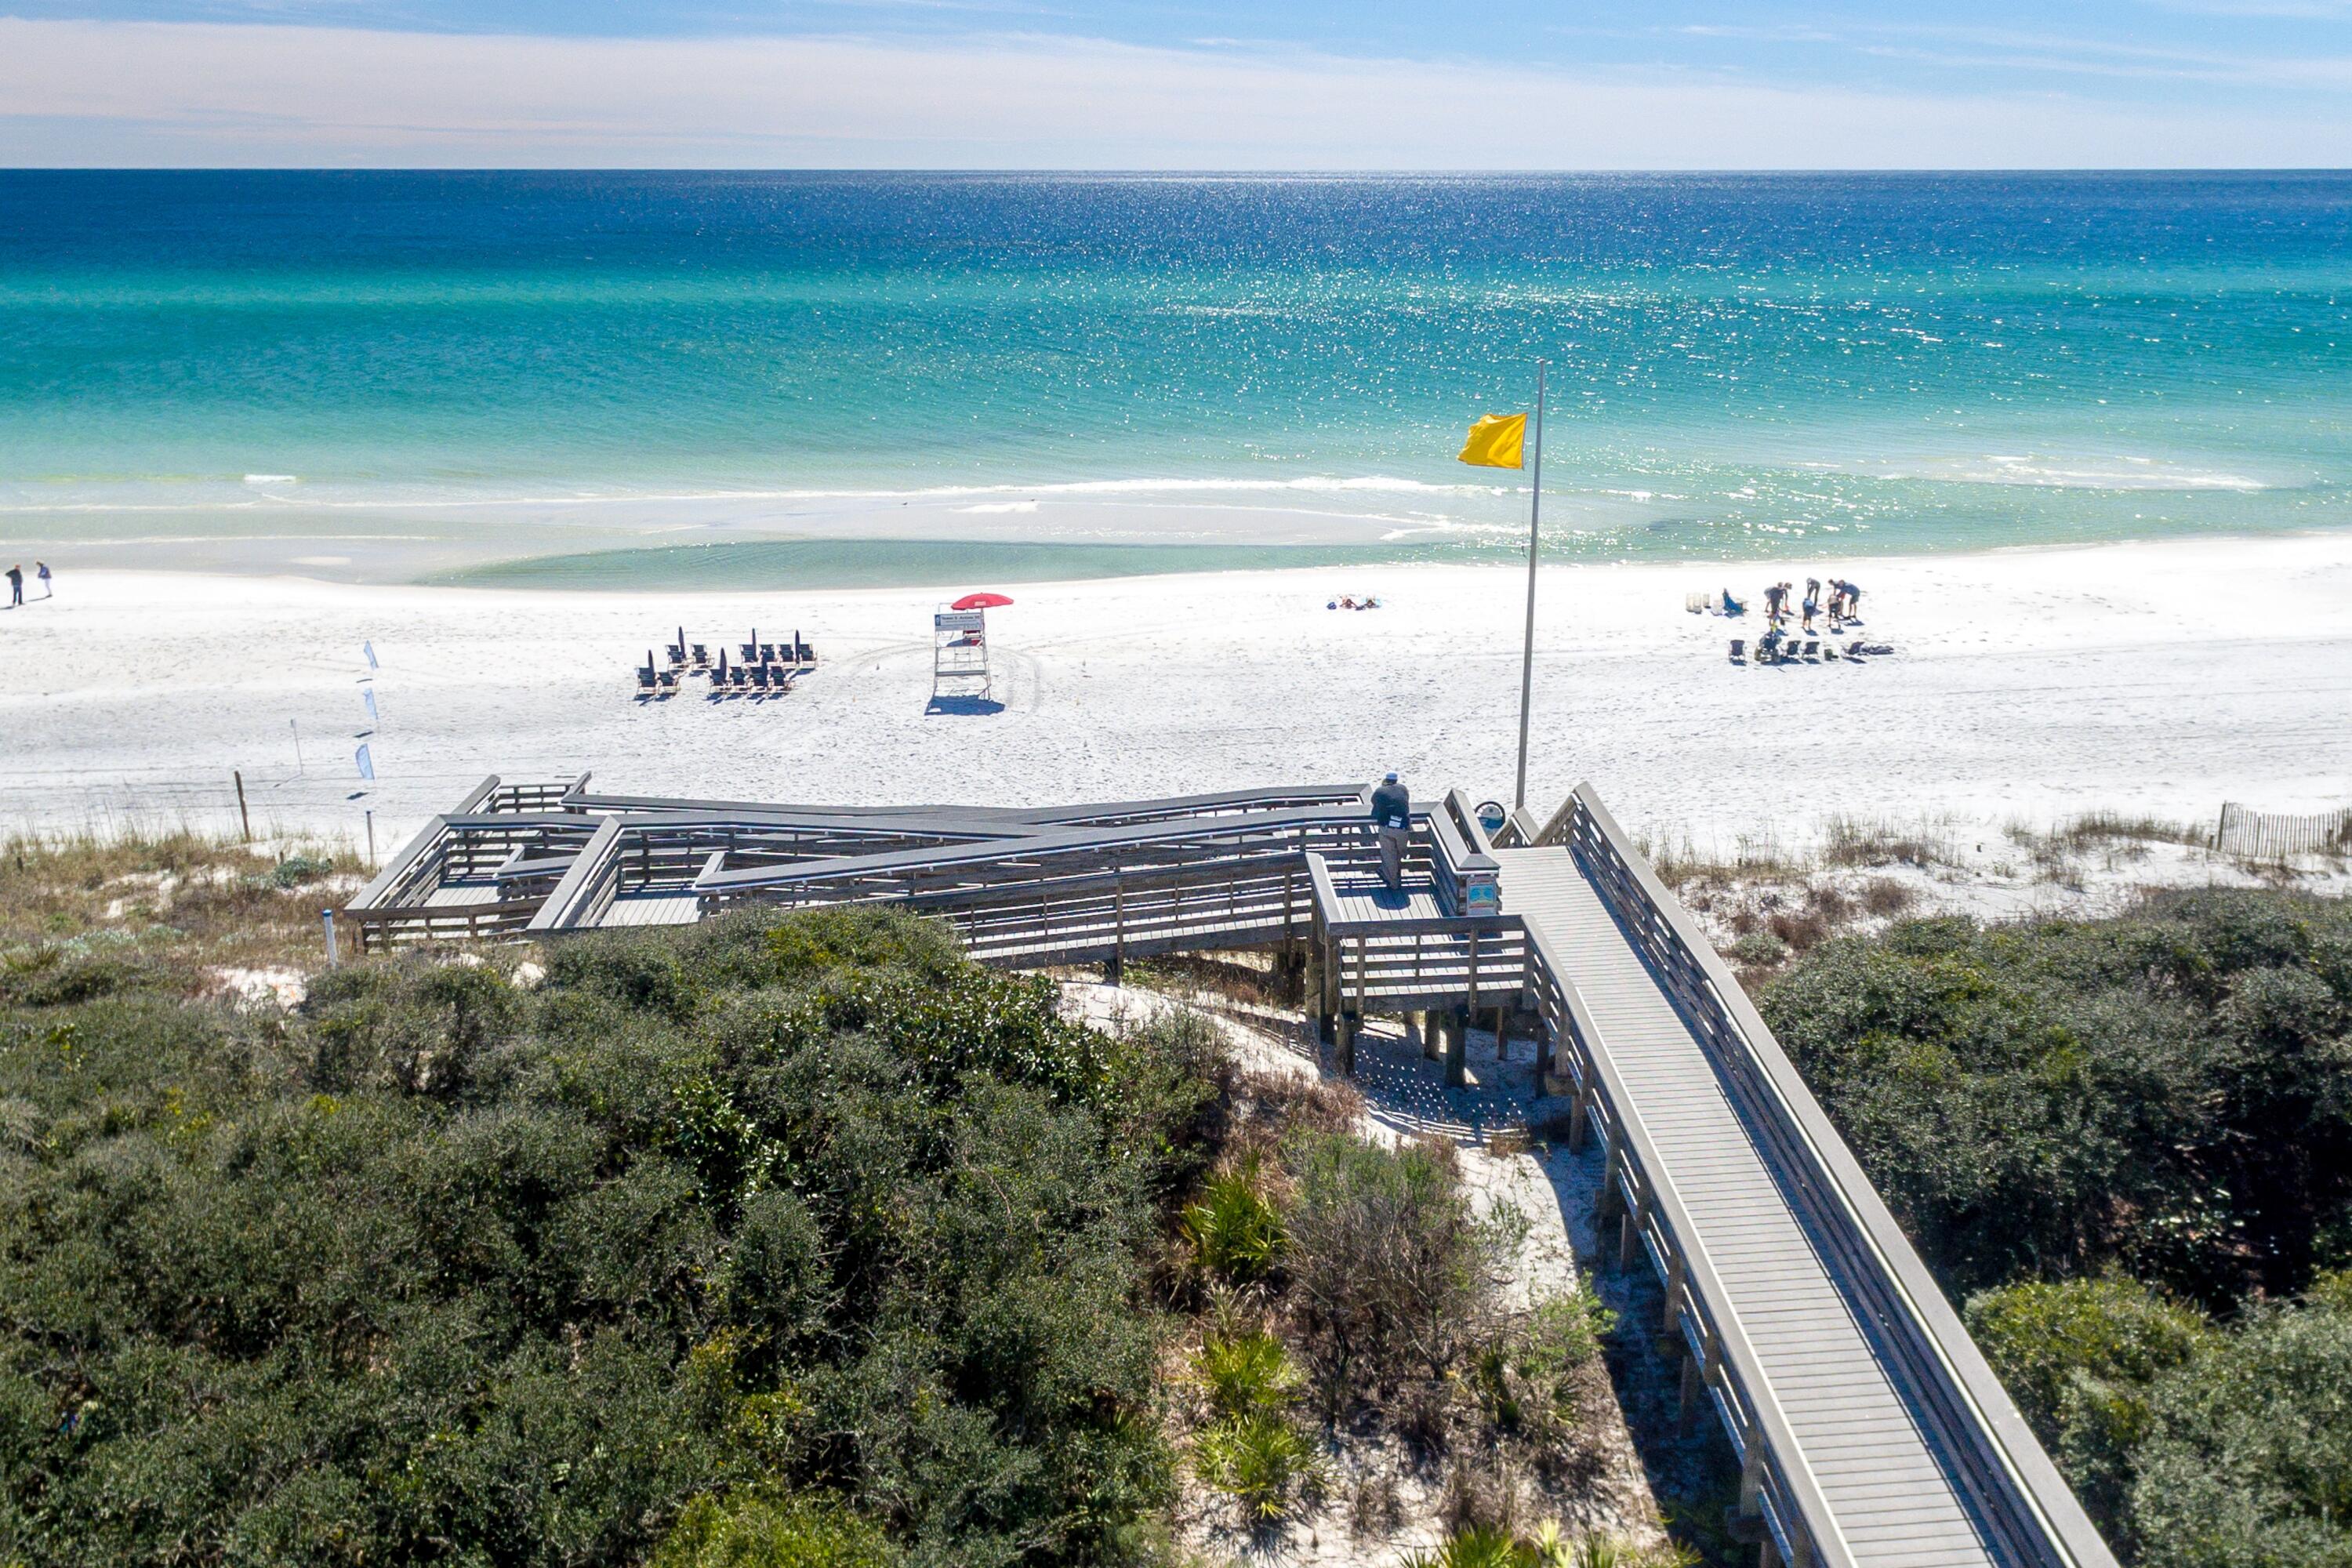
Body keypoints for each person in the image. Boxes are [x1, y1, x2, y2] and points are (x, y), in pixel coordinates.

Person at [1370, 770, 1411, 892]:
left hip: (1387, 827)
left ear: (1386, 781)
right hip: (1403, 827)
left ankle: (1394, 883)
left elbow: (1374, 802)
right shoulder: (1403, 789)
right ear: (1396, 780)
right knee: (1399, 853)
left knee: (1389, 854)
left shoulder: (1380, 791)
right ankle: (1393, 874)